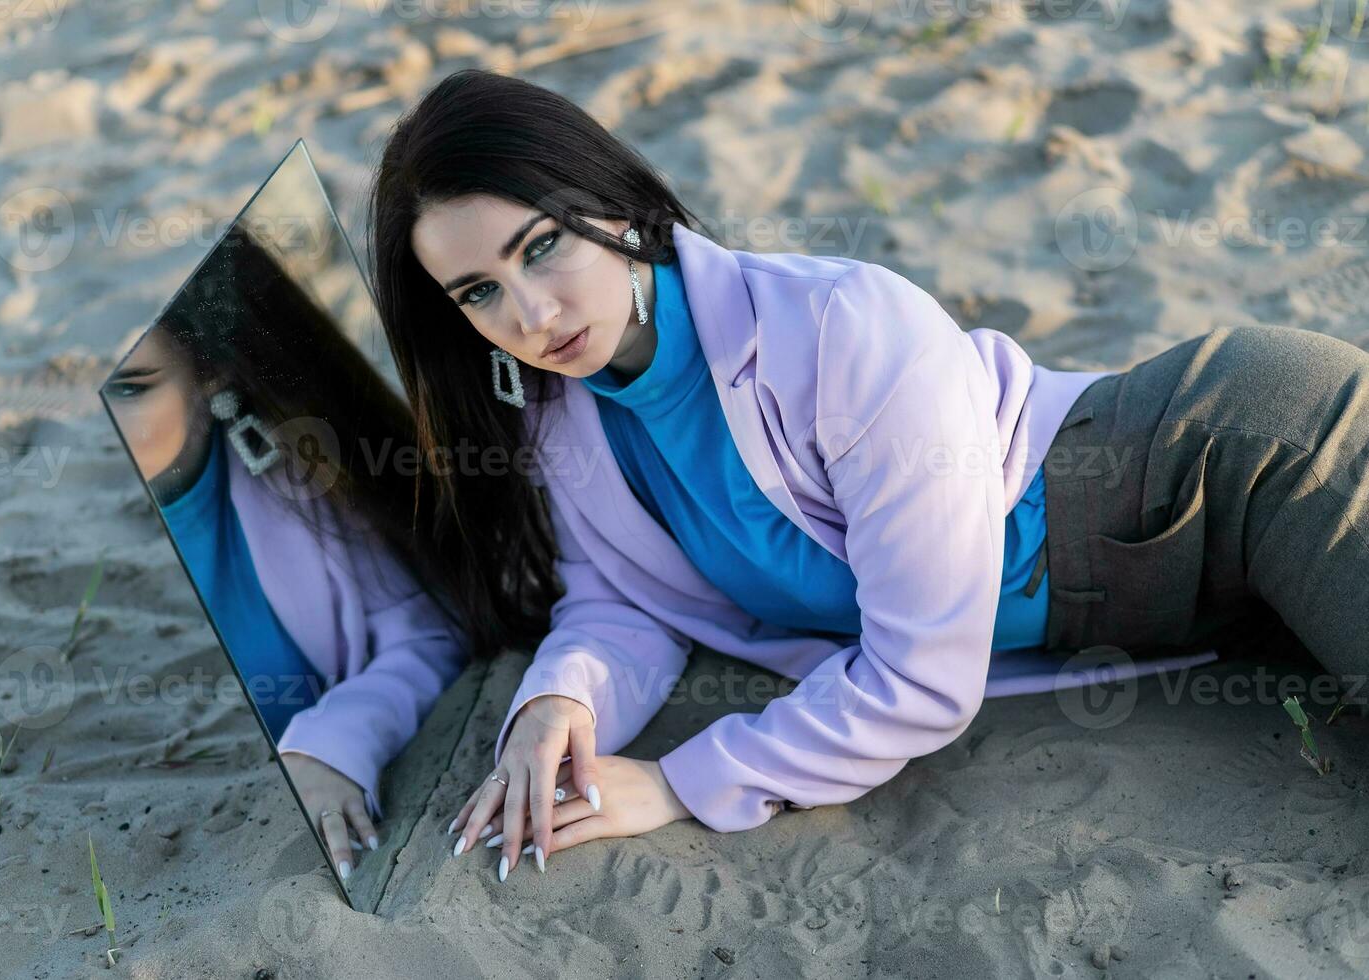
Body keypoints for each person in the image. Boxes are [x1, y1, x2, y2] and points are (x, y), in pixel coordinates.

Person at [364, 68, 1369, 883]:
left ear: (616, 209)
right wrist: (563, 704)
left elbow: (924, 680)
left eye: (544, 246)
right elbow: (630, 600)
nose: (533, 315)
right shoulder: (560, 420)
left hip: (1245, 462)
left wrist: (681, 779)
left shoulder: (841, 326)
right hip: (1191, 600)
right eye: (481, 291)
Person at [104, 226, 471, 883]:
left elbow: (431, 634)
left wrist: (334, 743)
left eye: (132, 387)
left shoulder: (300, 471)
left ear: (207, 372)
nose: (113, 424)